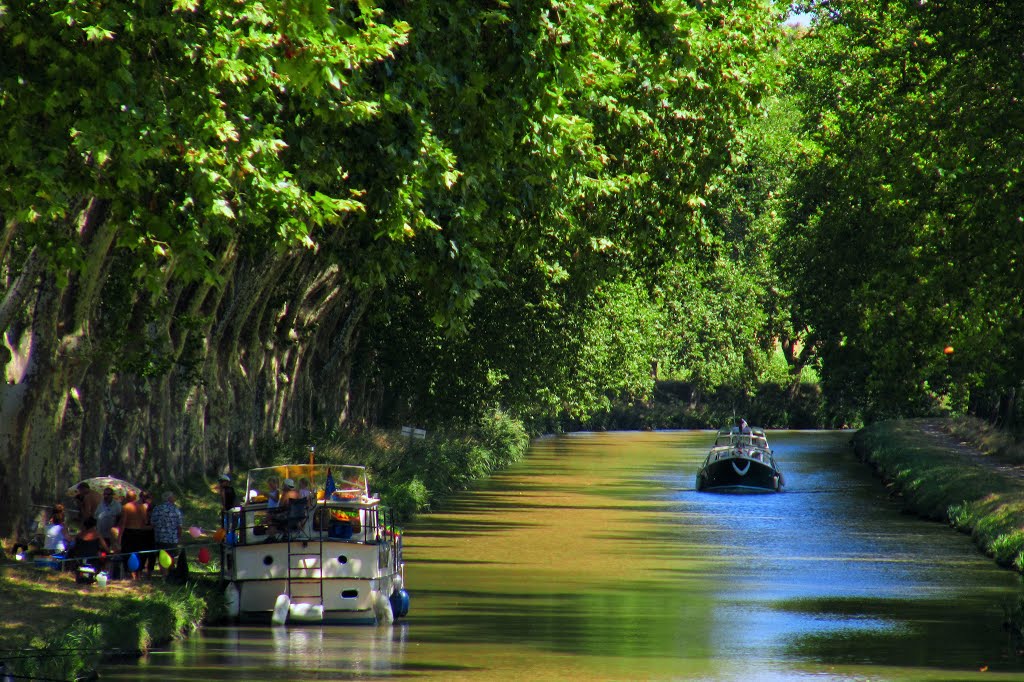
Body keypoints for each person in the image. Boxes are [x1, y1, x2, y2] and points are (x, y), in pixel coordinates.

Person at [118, 491, 151, 580]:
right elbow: (145, 522)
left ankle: (130, 573)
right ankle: (138, 574)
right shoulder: (143, 507)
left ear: (127, 497)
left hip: (129, 532)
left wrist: (119, 536)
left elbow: (123, 523)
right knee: (139, 553)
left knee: (127, 552)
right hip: (140, 532)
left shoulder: (126, 507)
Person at [150, 491, 182, 576]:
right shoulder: (176, 510)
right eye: (173, 497)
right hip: (172, 539)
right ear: (169, 498)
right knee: (171, 557)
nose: (174, 498)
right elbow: (179, 526)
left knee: (162, 557)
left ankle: (164, 576)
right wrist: (179, 537)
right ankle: (171, 575)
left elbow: (152, 523)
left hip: (159, 538)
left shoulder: (157, 508)